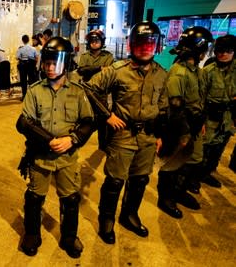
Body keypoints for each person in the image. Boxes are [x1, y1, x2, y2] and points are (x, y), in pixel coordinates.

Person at [83, 21, 168, 244]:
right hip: (124, 136)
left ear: (157, 45)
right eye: (140, 43)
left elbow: (163, 107)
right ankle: (107, 219)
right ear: (131, 45)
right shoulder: (118, 71)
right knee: (115, 181)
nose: (145, 47)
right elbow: (89, 88)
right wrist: (107, 115)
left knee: (140, 180)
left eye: (150, 43)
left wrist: (159, 135)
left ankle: (129, 215)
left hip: (148, 137)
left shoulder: (161, 74)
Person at [16, 37, 95, 258]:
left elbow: (89, 122)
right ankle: (32, 233)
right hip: (40, 156)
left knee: (70, 199)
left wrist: (73, 139)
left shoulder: (78, 91)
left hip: (67, 157)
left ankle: (69, 236)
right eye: (47, 63)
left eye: (56, 63)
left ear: (66, 64)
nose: (50, 68)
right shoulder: (34, 91)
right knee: (34, 197)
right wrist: (48, 140)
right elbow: (24, 123)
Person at [156, 26, 214, 219]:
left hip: (194, 125)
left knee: (192, 160)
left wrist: (201, 121)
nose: (207, 53)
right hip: (181, 126)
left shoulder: (195, 71)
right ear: (198, 50)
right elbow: (175, 106)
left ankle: (178, 192)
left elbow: (199, 98)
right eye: (205, 49)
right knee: (173, 164)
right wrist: (183, 133)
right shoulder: (179, 72)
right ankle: (165, 197)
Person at [200, 34, 236, 187]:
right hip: (210, 117)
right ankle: (195, 176)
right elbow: (200, 98)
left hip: (228, 118)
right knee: (204, 149)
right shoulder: (208, 71)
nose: (223, 54)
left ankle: (207, 173)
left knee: (218, 148)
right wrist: (200, 121)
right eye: (220, 50)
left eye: (228, 50)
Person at [16, 34, 38, 100]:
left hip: (23, 65)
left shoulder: (21, 49)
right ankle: (32, 96)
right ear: (28, 40)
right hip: (31, 65)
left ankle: (24, 95)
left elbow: (17, 57)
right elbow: (36, 57)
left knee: (23, 81)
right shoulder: (33, 48)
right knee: (32, 80)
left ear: (23, 41)